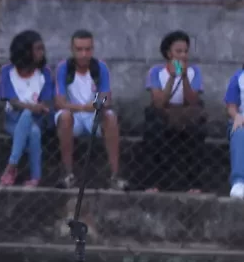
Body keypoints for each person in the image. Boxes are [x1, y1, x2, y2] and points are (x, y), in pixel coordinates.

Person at [54, 30, 126, 190]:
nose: (84, 54)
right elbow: (60, 102)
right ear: (72, 50)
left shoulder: (100, 67)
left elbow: (106, 98)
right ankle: (68, 174)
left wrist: (95, 106)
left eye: (88, 49)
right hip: (73, 116)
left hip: (94, 115)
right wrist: (85, 107)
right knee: (64, 117)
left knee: (111, 118)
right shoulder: (64, 68)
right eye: (79, 49)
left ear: (93, 49)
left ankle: (115, 175)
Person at [140, 30, 207, 192]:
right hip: (163, 114)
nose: (183, 55)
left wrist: (183, 77)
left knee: (197, 132)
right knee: (153, 131)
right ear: (169, 53)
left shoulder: (194, 71)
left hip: (185, 114)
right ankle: (153, 183)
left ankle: (195, 184)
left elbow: (192, 101)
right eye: (178, 51)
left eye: (185, 51)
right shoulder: (156, 72)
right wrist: (171, 77)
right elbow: (159, 102)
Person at [0, 30, 53, 187]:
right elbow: (12, 101)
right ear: (26, 50)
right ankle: (35, 176)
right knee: (31, 126)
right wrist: (32, 107)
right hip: (13, 120)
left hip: (37, 118)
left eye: (42, 48)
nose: (42, 52)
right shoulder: (7, 71)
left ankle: (11, 166)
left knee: (33, 124)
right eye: (38, 48)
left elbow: (46, 103)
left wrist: (35, 108)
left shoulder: (44, 73)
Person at [225, 63, 244, 200]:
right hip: (242, 120)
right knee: (238, 132)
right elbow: (231, 107)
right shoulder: (238, 78)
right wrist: (237, 116)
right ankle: (239, 183)